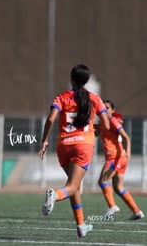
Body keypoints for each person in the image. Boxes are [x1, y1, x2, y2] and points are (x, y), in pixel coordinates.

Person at [38, 64, 110, 238]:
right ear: (86, 81)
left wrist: (44, 140)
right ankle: (54, 194)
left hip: (63, 145)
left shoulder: (62, 97)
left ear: (72, 79)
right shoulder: (94, 98)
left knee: (74, 186)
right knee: (71, 186)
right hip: (83, 146)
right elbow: (107, 124)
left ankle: (81, 226)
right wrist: (95, 130)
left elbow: (50, 119)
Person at [95, 100, 144, 220]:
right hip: (119, 158)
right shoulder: (103, 123)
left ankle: (112, 206)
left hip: (115, 157)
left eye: (107, 108)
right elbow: (96, 133)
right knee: (118, 188)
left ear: (112, 111)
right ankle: (137, 212)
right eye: (103, 108)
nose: (104, 110)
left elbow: (126, 136)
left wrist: (128, 151)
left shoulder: (112, 121)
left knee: (102, 181)